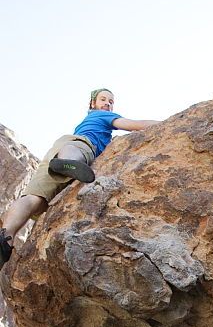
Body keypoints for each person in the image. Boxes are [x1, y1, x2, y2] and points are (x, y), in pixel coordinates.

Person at [0, 88, 159, 269]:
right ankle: (67, 161)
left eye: (111, 101)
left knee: (34, 197)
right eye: (103, 99)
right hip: (77, 145)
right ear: (93, 104)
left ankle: (6, 239)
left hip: (57, 149)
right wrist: (168, 122)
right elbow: (134, 124)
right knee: (80, 149)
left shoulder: (88, 122)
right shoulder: (101, 116)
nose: (108, 103)